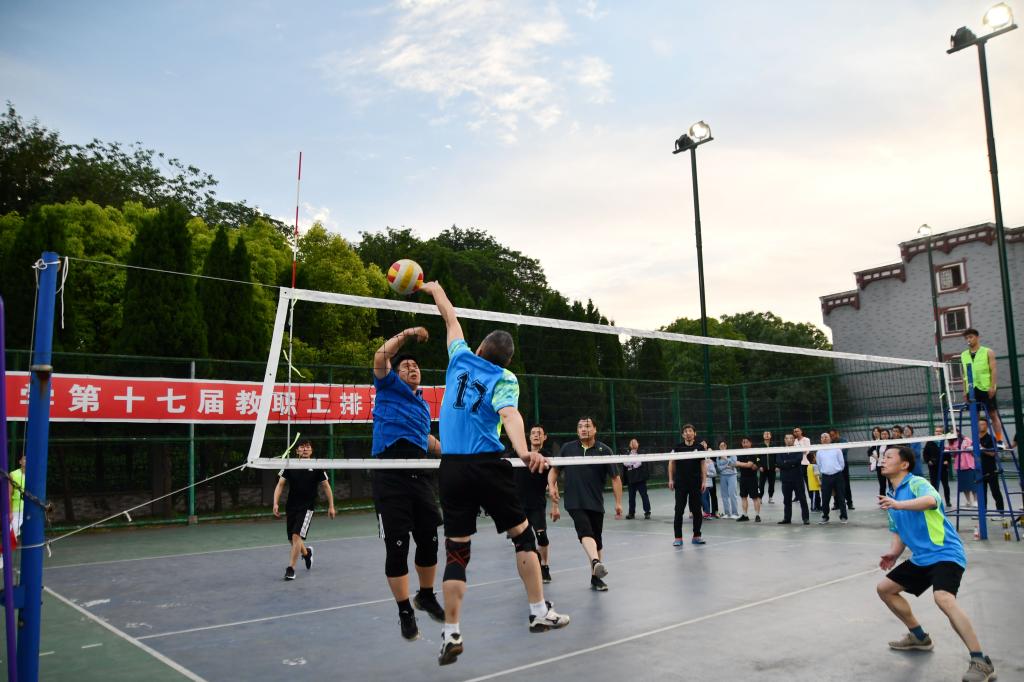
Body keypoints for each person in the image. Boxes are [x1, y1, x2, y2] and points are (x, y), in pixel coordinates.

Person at [419, 282, 568, 666]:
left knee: (457, 551)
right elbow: (509, 414)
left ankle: (451, 631)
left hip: (452, 468)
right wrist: (524, 451)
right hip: (488, 466)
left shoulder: (459, 358)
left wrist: (434, 289)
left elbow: (449, 317)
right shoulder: (504, 378)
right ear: (505, 360)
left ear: (481, 348)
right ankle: (538, 611)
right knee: (523, 537)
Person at [876, 445, 996, 682]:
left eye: (888, 457)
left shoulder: (916, 483)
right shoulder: (891, 494)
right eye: (883, 457)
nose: (883, 460)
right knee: (885, 589)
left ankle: (981, 661)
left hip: (945, 552)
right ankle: (919, 637)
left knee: (943, 598)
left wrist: (899, 504)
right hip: (921, 558)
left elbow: (932, 500)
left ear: (904, 464)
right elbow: (898, 530)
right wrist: (894, 553)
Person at [370, 327, 446, 639]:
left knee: (429, 540)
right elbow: (380, 356)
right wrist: (410, 333)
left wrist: (453, 452)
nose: (412, 368)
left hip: (420, 473)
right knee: (397, 545)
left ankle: (425, 595)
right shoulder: (387, 386)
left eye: (415, 366)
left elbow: (424, 439)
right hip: (390, 474)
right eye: (406, 366)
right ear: (396, 373)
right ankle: (405, 610)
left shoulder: (422, 404)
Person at [549, 417, 623, 592]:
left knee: (597, 541)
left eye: (587, 426)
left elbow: (615, 478)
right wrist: (551, 486)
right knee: (585, 531)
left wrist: (618, 503)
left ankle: (595, 578)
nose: (583, 429)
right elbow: (554, 470)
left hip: (595, 501)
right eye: (580, 426)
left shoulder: (605, 451)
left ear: (595, 429)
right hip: (574, 501)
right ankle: (596, 562)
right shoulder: (567, 448)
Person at [272, 440, 336, 581]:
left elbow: (326, 486)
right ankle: (307, 554)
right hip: (291, 506)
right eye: (302, 447)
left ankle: (291, 569)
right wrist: (275, 503)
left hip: (307, 507)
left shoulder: (317, 465)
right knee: (292, 539)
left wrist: (331, 506)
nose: (305, 449)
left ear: (311, 451)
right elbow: (280, 484)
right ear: (297, 451)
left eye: (308, 447)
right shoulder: (289, 464)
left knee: (296, 536)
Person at [516, 425, 555, 584]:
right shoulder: (519, 454)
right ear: (529, 437)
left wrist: (555, 506)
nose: (536, 435)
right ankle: (533, 564)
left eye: (539, 433)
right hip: (519, 506)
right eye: (533, 433)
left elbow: (553, 479)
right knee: (524, 541)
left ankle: (544, 566)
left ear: (544, 437)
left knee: (542, 537)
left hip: (537, 504)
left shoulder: (548, 456)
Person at [961, 328, 1004, 444]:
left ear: (977, 337)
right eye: (966, 338)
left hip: (985, 387)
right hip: (971, 388)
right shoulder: (964, 355)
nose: (968, 339)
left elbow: (993, 370)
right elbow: (964, 373)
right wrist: (964, 390)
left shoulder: (988, 351)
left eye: (971, 337)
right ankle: (977, 441)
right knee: (974, 416)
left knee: (992, 414)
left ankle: (999, 440)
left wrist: (992, 386)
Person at [668, 425, 708, 546]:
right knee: (679, 510)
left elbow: (703, 464)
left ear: (694, 433)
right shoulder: (677, 447)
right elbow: (671, 462)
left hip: (695, 483)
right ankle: (678, 538)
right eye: (685, 431)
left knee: (696, 510)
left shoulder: (699, 447)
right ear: (682, 435)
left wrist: (704, 481)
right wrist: (671, 479)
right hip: (681, 484)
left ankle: (697, 536)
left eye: (690, 431)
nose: (688, 433)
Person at [776, 434, 809, 525]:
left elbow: (798, 460)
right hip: (785, 479)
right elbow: (779, 462)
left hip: (797, 479)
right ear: (784, 440)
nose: (789, 440)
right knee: (786, 500)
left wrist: (785, 463)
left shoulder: (798, 449)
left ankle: (806, 518)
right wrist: (790, 463)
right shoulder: (780, 450)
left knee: (802, 499)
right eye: (787, 438)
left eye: (791, 438)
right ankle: (787, 519)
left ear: (794, 440)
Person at [816, 432, 848, 524]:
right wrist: (825, 472)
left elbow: (842, 463)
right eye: (822, 437)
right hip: (826, 477)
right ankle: (825, 517)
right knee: (825, 498)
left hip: (838, 475)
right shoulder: (819, 451)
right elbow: (819, 464)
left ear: (830, 439)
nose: (824, 438)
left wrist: (836, 470)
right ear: (821, 440)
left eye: (826, 437)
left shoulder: (837, 449)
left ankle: (843, 516)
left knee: (841, 497)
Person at [976, 417, 1004, 512]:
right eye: (979, 424)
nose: (981, 426)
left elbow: (993, 453)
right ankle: (983, 512)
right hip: (980, 470)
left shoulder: (991, 438)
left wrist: (982, 449)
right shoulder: (976, 439)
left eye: (983, 424)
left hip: (991, 469)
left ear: (987, 426)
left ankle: (1001, 512)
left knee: (995, 491)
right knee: (981, 493)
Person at [621, 438, 652, 520]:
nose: (633, 443)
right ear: (630, 445)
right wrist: (633, 464)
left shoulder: (642, 453)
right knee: (631, 497)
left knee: (644, 495)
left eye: (635, 442)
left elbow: (639, 463)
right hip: (630, 478)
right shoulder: (626, 454)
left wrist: (632, 464)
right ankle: (631, 513)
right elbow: (625, 463)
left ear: (638, 444)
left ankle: (647, 512)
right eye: (632, 442)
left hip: (640, 478)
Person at [735, 436, 762, 522]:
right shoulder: (740, 453)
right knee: (743, 497)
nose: (745, 444)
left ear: (750, 443)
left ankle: (757, 515)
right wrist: (746, 464)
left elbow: (749, 465)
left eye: (747, 442)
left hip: (752, 478)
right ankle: (745, 515)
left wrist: (740, 463)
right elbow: (742, 464)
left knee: (755, 497)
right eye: (743, 442)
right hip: (743, 478)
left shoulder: (753, 452)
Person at [923, 426, 952, 507]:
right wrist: (928, 461)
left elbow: (948, 454)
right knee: (934, 485)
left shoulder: (945, 442)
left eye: (940, 431)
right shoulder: (930, 442)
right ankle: (935, 501)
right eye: (936, 431)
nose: (938, 433)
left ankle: (948, 501)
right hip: (933, 467)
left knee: (945, 485)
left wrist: (947, 461)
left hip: (943, 467)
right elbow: (925, 453)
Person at [829, 426, 854, 510]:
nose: (832, 437)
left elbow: (844, 451)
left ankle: (849, 503)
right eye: (830, 435)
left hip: (843, 465)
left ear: (837, 434)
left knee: (846, 484)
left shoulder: (844, 441)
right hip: (834, 466)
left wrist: (834, 453)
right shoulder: (830, 443)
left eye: (833, 435)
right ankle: (837, 504)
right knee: (835, 485)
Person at [950, 433, 977, 508]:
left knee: (973, 484)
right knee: (964, 485)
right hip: (960, 466)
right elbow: (953, 455)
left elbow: (973, 451)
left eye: (956, 431)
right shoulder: (953, 442)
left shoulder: (967, 439)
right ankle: (968, 501)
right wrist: (954, 451)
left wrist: (969, 448)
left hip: (969, 465)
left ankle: (975, 501)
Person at [716, 441, 739, 519]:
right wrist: (726, 466)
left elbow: (733, 464)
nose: (722, 447)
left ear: (726, 446)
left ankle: (735, 513)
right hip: (723, 476)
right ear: (719, 447)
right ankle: (727, 513)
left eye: (724, 445)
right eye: (721, 446)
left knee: (732, 494)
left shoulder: (732, 453)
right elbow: (719, 468)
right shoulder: (718, 456)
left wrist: (726, 459)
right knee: (724, 495)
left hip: (732, 475)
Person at [870, 428, 891, 497]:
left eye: (886, 434)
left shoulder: (891, 443)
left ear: (888, 435)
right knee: (882, 486)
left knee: (891, 484)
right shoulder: (878, 443)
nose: (884, 435)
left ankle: (892, 499)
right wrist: (876, 458)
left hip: (889, 466)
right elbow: (869, 452)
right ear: (881, 435)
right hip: (880, 466)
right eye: (882, 434)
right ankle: (882, 500)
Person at [9, 453, 26, 539]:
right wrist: (10, 511)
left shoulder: (34, 475)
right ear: (20, 462)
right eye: (24, 459)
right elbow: (9, 494)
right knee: (12, 535)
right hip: (16, 509)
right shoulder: (13, 474)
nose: (27, 461)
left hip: (30, 509)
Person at [759, 431, 776, 503]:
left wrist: (776, 465)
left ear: (770, 436)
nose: (766, 435)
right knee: (761, 484)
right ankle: (760, 498)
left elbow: (776, 456)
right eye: (765, 434)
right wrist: (760, 466)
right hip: (763, 469)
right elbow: (757, 457)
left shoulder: (774, 445)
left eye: (768, 434)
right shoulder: (760, 445)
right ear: (763, 436)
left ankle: (770, 497)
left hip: (772, 468)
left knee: (772, 484)